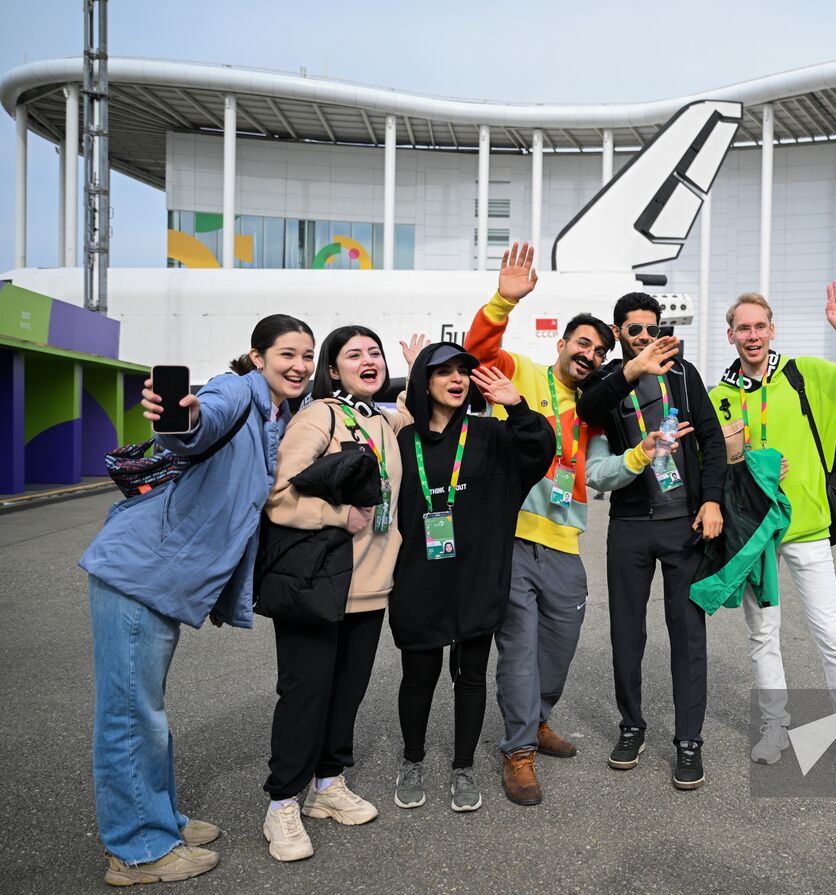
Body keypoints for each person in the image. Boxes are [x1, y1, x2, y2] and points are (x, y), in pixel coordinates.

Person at [79, 315, 315, 885]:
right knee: (132, 716)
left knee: (147, 711)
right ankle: (139, 850)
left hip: (161, 576)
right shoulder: (236, 391)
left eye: (308, 355)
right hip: (139, 572)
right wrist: (181, 418)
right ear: (257, 357)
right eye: (287, 353)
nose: (299, 365)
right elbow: (198, 422)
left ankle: (160, 819)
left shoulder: (276, 415)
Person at [464, 242, 680, 805]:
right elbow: (478, 348)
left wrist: (644, 452)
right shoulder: (525, 372)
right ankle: (518, 751)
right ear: (562, 344)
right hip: (513, 538)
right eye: (582, 343)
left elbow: (603, 474)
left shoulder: (593, 410)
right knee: (518, 650)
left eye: (598, 350)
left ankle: (536, 720)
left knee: (557, 649)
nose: (589, 353)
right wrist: (503, 301)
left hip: (564, 545)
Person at [709, 284, 836, 777]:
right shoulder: (719, 398)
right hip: (755, 535)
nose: (752, 335)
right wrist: (747, 466)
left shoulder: (806, 376)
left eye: (760, 326)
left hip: (807, 528)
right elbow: (716, 464)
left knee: (830, 632)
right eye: (743, 327)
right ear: (731, 335)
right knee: (762, 635)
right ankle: (774, 725)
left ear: (772, 329)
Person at [260, 325, 415, 862]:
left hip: (371, 587)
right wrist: (336, 514)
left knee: (346, 693)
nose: (368, 359)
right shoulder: (318, 416)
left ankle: (327, 786)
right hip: (319, 584)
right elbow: (278, 496)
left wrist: (414, 369)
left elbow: (417, 413)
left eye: (375, 351)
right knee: (305, 695)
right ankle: (282, 802)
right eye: (355, 354)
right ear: (333, 369)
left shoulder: (381, 421)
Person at [389, 343, 554, 814]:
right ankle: (413, 759)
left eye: (464, 371)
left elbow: (540, 448)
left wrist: (517, 405)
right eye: (443, 372)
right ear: (424, 381)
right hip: (419, 578)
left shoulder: (491, 435)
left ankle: (462, 766)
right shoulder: (404, 443)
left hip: (478, 576)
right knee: (418, 676)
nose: (457, 379)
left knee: (470, 676)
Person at [574, 292, 727, 790]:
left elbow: (710, 439)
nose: (645, 336)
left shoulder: (684, 374)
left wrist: (712, 501)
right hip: (631, 523)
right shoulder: (605, 380)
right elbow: (587, 409)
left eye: (651, 328)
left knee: (687, 633)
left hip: (683, 521)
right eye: (634, 329)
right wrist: (632, 369)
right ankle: (632, 726)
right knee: (626, 632)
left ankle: (689, 740)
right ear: (619, 332)